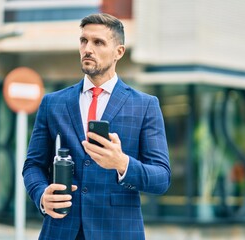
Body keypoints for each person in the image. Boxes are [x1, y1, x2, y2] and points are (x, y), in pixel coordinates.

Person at [23, 13, 171, 240]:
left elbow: (161, 178)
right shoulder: (53, 103)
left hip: (118, 232)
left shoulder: (145, 106)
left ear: (118, 52)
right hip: (61, 231)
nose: (87, 49)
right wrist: (41, 195)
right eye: (84, 41)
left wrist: (122, 164)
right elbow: (33, 165)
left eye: (98, 42)